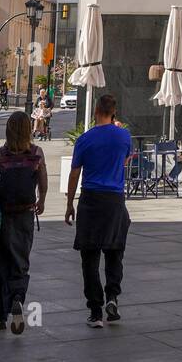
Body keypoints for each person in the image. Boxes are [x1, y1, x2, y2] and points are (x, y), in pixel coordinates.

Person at [65, 94, 132, 328]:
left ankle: (95, 311)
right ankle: (112, 297)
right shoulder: (124, 135)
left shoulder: (84, 139)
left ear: (95, 111)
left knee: (89, 258)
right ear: (113, 112)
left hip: (91, 199)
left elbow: (74, 173)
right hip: (114, 200)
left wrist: (69, 204)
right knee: (115, 252)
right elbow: (124, 160)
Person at [0, 110, 47, 332]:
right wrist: (42, 200)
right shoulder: (37, 153)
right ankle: (18, 299)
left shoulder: (0, 154)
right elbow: (43, 181)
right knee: (20, 260)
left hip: (1, 215)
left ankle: (1, 315)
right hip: (25, 215)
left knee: (2, 264)